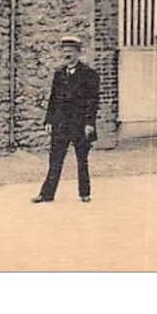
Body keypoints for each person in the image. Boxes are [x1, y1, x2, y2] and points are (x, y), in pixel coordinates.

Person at [33, 34, 100, 204]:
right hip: (61, 124)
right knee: (55, 160)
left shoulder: (89, 74)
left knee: (82, 160)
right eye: (65, 51)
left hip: (79, 124)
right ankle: (47, 194)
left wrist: (89, 123)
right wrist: (49, 120)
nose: (67, 54)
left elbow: (93, 101)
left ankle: (84, 193)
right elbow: (53, 99)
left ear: (78, 53)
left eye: (71, 51)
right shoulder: (59, 73)